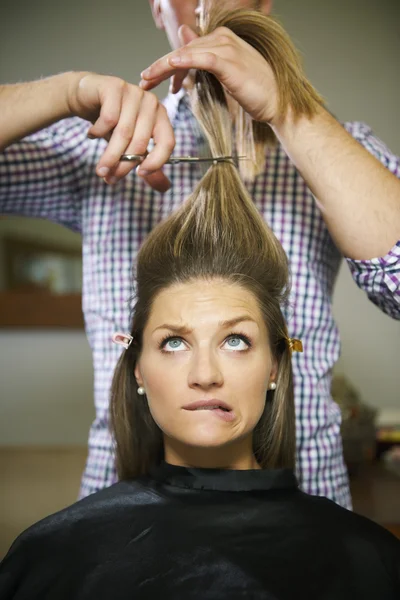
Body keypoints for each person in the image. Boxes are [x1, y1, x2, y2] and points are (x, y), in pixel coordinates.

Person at [1, 23, 399, 594]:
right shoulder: (93, 144)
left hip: (316, 523)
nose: (205, 373)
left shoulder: (338, 145)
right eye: (172, 342)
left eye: (237, 340)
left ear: (276, 366)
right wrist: (67, 93)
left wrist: (292, 113)